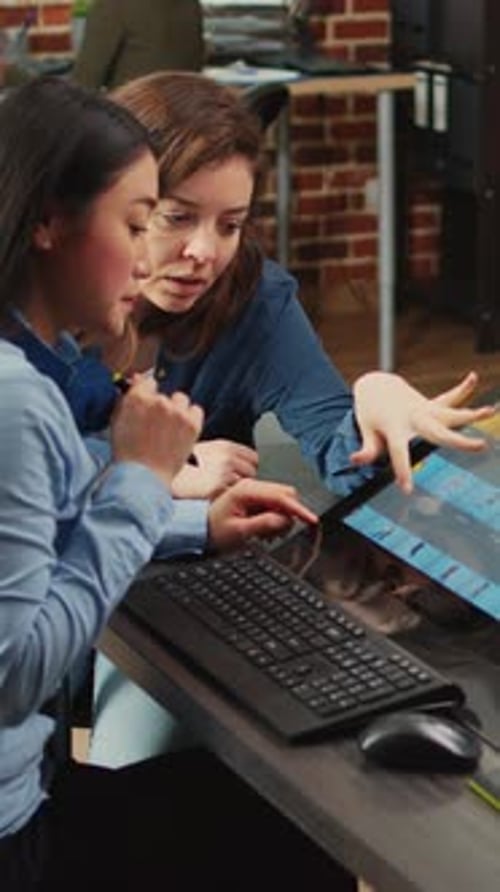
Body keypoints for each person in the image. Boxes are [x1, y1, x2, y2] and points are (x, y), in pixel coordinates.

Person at [0, 75, 360, 892]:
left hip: (31, 786)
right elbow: (17, 673)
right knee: (301, 834)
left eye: (229, 225)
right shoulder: (20, 395)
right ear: (50, 221)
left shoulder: (35, 363)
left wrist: (198, 522)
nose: (166, 256)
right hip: (16, 836)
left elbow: (49, 520)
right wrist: (144, 478)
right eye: (144, 222)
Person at [88, 70, 495, 767]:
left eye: (230, 225)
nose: (204, 253)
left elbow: (342, 458)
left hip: (171, 583)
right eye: (176, 217)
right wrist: (159, 476)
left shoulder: (252, 300)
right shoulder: (51, 299)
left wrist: (374, 399)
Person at [72, 0, 204, 91]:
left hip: (130, 116)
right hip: (183, 115)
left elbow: (84, 85)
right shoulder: (191, 3)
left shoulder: (114, 4)